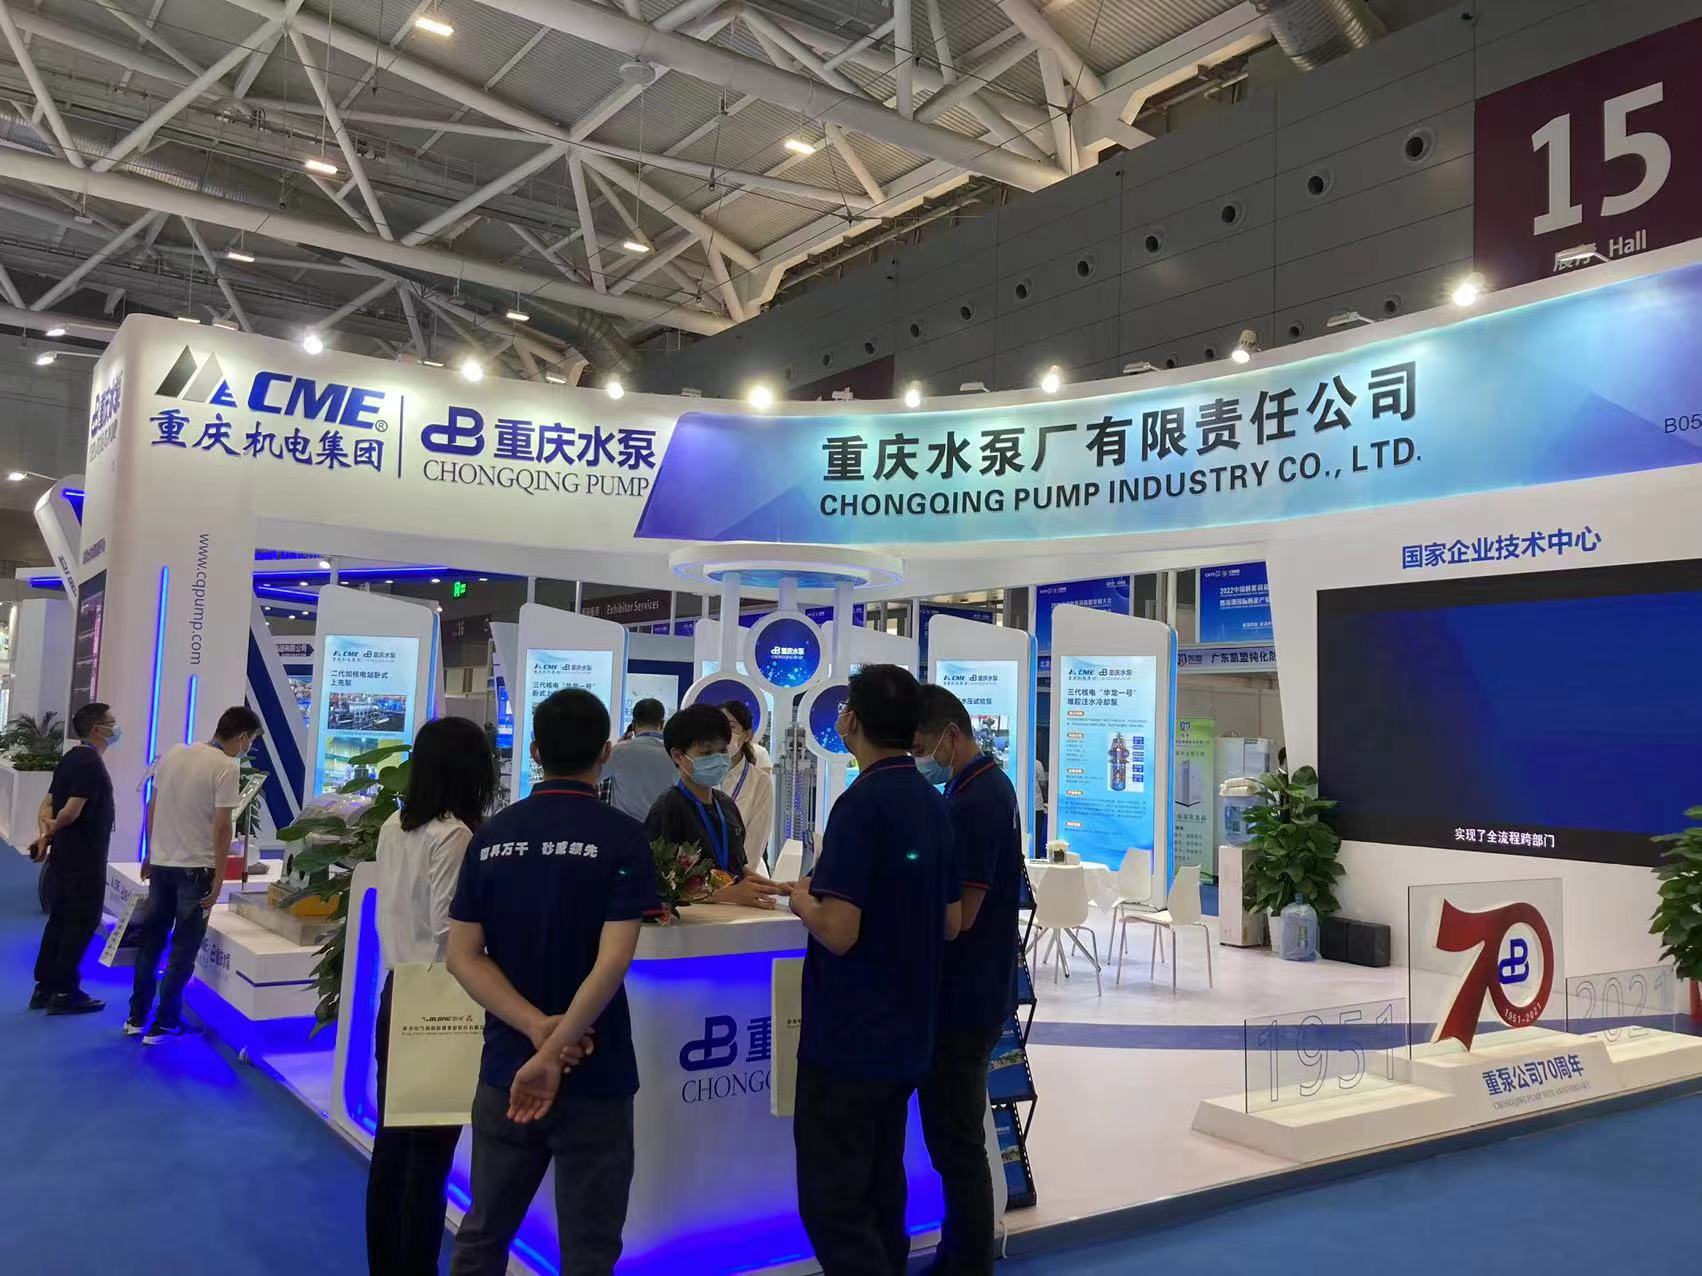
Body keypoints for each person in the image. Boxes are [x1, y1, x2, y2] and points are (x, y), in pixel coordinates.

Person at [446, 688, 661, 1276]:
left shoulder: (491, 837)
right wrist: (558, 1041)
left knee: (483, 1235)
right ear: (606, 752)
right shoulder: (623, 838)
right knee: (590, 1250)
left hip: (507, 1066)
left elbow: (463, 956)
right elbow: (612, 962)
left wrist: (536, 1032)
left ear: (536, 750)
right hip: (596, 1068)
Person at [789, 665, 960, 1275]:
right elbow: (950, 921)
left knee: (834, 1201)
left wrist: (801, 900)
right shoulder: (933, 803)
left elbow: (839, 930)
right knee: (883, 1184)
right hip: (909, 1033)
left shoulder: (860, 805)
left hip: (849, 1037)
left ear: (852, 720)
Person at [367, 716, 499, 1276]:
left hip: (400, 990)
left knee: (394, 1149)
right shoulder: (455, 835)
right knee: (428, 1158)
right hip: (440, 999)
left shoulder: (395, 825)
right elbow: (449, 931)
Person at [911, 686, 1024, 1274]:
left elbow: (966, 912)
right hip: (970, 989)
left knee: (956, 1142)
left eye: (921, 747)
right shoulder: (974, 787)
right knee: (953, 1139)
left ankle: (967, 1261)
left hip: (967, 995)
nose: (919, 759)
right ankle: (962, 1253)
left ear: (950, 736)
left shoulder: (979, 798)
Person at [125, 705, 263, 1044]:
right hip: (196, 868)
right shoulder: (226, 767)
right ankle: (165, 1023)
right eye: (251, 741)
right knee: (183, 949)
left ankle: (136, 1017)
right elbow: (222, 827)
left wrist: (150, 852)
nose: (248, 747)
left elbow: (152, 806)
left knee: (152, 943)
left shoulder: (174, 753)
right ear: (243, 737)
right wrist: (219, 878)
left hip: (162, 864)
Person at [645, 704, 786, 909]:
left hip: (732, 919)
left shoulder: (726, 805)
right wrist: (728, 894)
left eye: (722, 750)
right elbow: (659, 883)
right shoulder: (668, 809)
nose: (718, 759)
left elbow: (737, 868)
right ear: (678, 756)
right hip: (690, 922)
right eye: (706, 753)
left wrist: (776, 888)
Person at [29, 701, 119, 1014]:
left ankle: (45, 987)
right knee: (80, 922)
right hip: (84, 859)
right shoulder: (90, 763)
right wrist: (53, 829)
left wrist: (46, 834)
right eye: (111, 722)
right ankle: (65, 992)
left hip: (65, 855)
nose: (115, 727)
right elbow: (70, 811)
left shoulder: (70, 758)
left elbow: (47, 804)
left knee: (60, 920)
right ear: (98, 729)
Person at [717, 700, 775, 873]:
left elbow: (756, 838)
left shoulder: (759, 781)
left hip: (743, 874)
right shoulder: (701, 773)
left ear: (747, 735)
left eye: (731, 727)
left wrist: (734, 877)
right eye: (719, 726)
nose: (723, 733)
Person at [598, 698, 675, 821]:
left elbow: (595, 777)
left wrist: (618, 745)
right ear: (662, 724)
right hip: (661, 827)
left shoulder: (619, 750)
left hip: (624, 827)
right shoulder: (673, 753)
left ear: (633, 724)